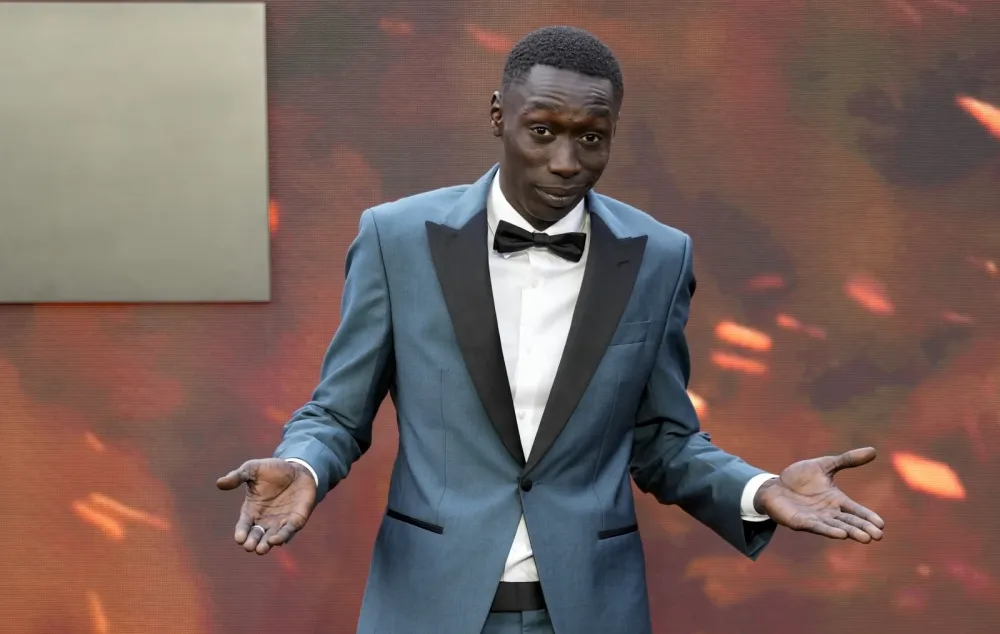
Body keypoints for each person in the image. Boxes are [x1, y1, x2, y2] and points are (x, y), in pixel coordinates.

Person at [217, 25, 885, 634]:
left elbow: (662, 439)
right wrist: (302, 464)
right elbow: (338, 412)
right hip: (427, 606)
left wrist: (760, 490)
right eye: (542, 131)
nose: (566, 161)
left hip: (591, 609)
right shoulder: (396, 239)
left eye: (591, 137)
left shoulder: (659, 256)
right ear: (498, 116)